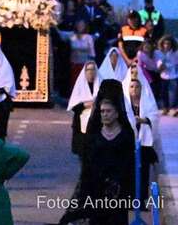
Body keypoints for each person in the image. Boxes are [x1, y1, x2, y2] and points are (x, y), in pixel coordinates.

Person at [61, 80, 135, 225]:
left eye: (109, 111)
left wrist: (122, 188)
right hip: (96, 191)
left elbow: (129, 165)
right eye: (102, 111)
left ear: (117, 112)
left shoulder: (126, 134)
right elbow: (87, 165)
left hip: (117, 194)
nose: (105, 115)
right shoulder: (94, 134)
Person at [123, 67, 160, 202]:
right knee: (129, 172)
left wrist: (143, 120)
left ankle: (142, 199)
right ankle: (129, 198)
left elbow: (154, 116)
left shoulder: (147, 101)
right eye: (131, 87)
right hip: (128, 144)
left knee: (144, 172)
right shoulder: (124, 103)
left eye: (137, 87)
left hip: (144, 143)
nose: (134, 89)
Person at [66, 61, 100, 156]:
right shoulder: (80, 86)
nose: (90, 72)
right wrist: (85, 105)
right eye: (88, 70)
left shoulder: (100, 84)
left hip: (95, 123)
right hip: (80, 125)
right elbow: (74, 106)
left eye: (93, 69)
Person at [157, 35, 178, 115]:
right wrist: (161, 65)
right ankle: (165, 108)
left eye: (168, 44)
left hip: (173, 76)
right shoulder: (159, 53)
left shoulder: (176, 53)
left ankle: (172, 108)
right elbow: (158, 66)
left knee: (173, 93)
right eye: (165, 44)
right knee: (163, 93)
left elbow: (175, 63)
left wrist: (168, 65)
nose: (166, 45)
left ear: (172, 44)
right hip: (163, 76)